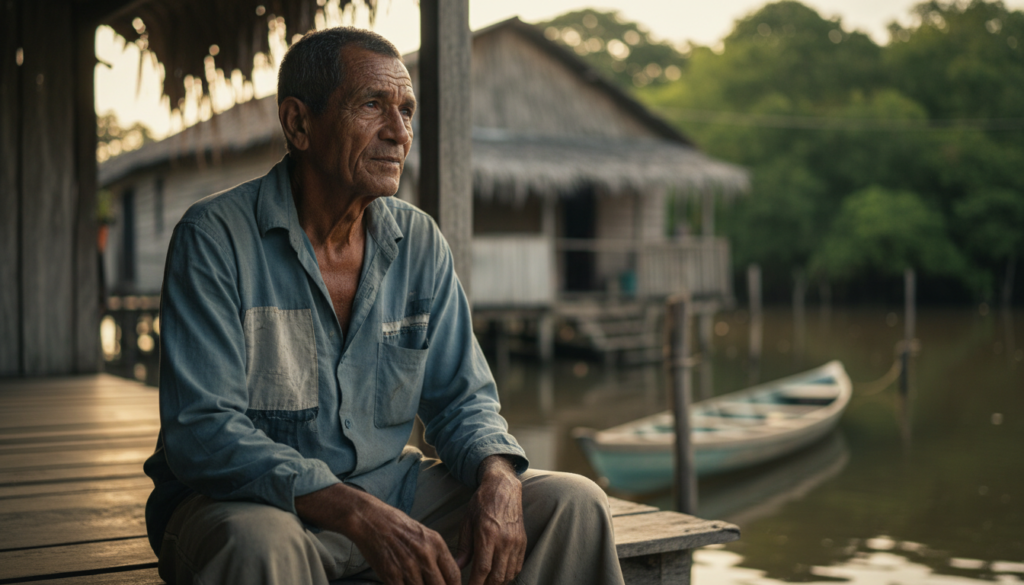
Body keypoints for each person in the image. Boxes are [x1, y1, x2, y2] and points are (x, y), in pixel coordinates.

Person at [143, 27, 626, 585]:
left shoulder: (418, 240)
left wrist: (499, 477)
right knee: (262, 546)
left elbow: (463, 400)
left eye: (407, 110)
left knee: (573, 503)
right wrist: (354, 511)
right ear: (299, 123)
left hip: (389, 492)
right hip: (250, 505)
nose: (399, 133)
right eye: (372, 105)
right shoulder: (215, 237)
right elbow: (204, 431)